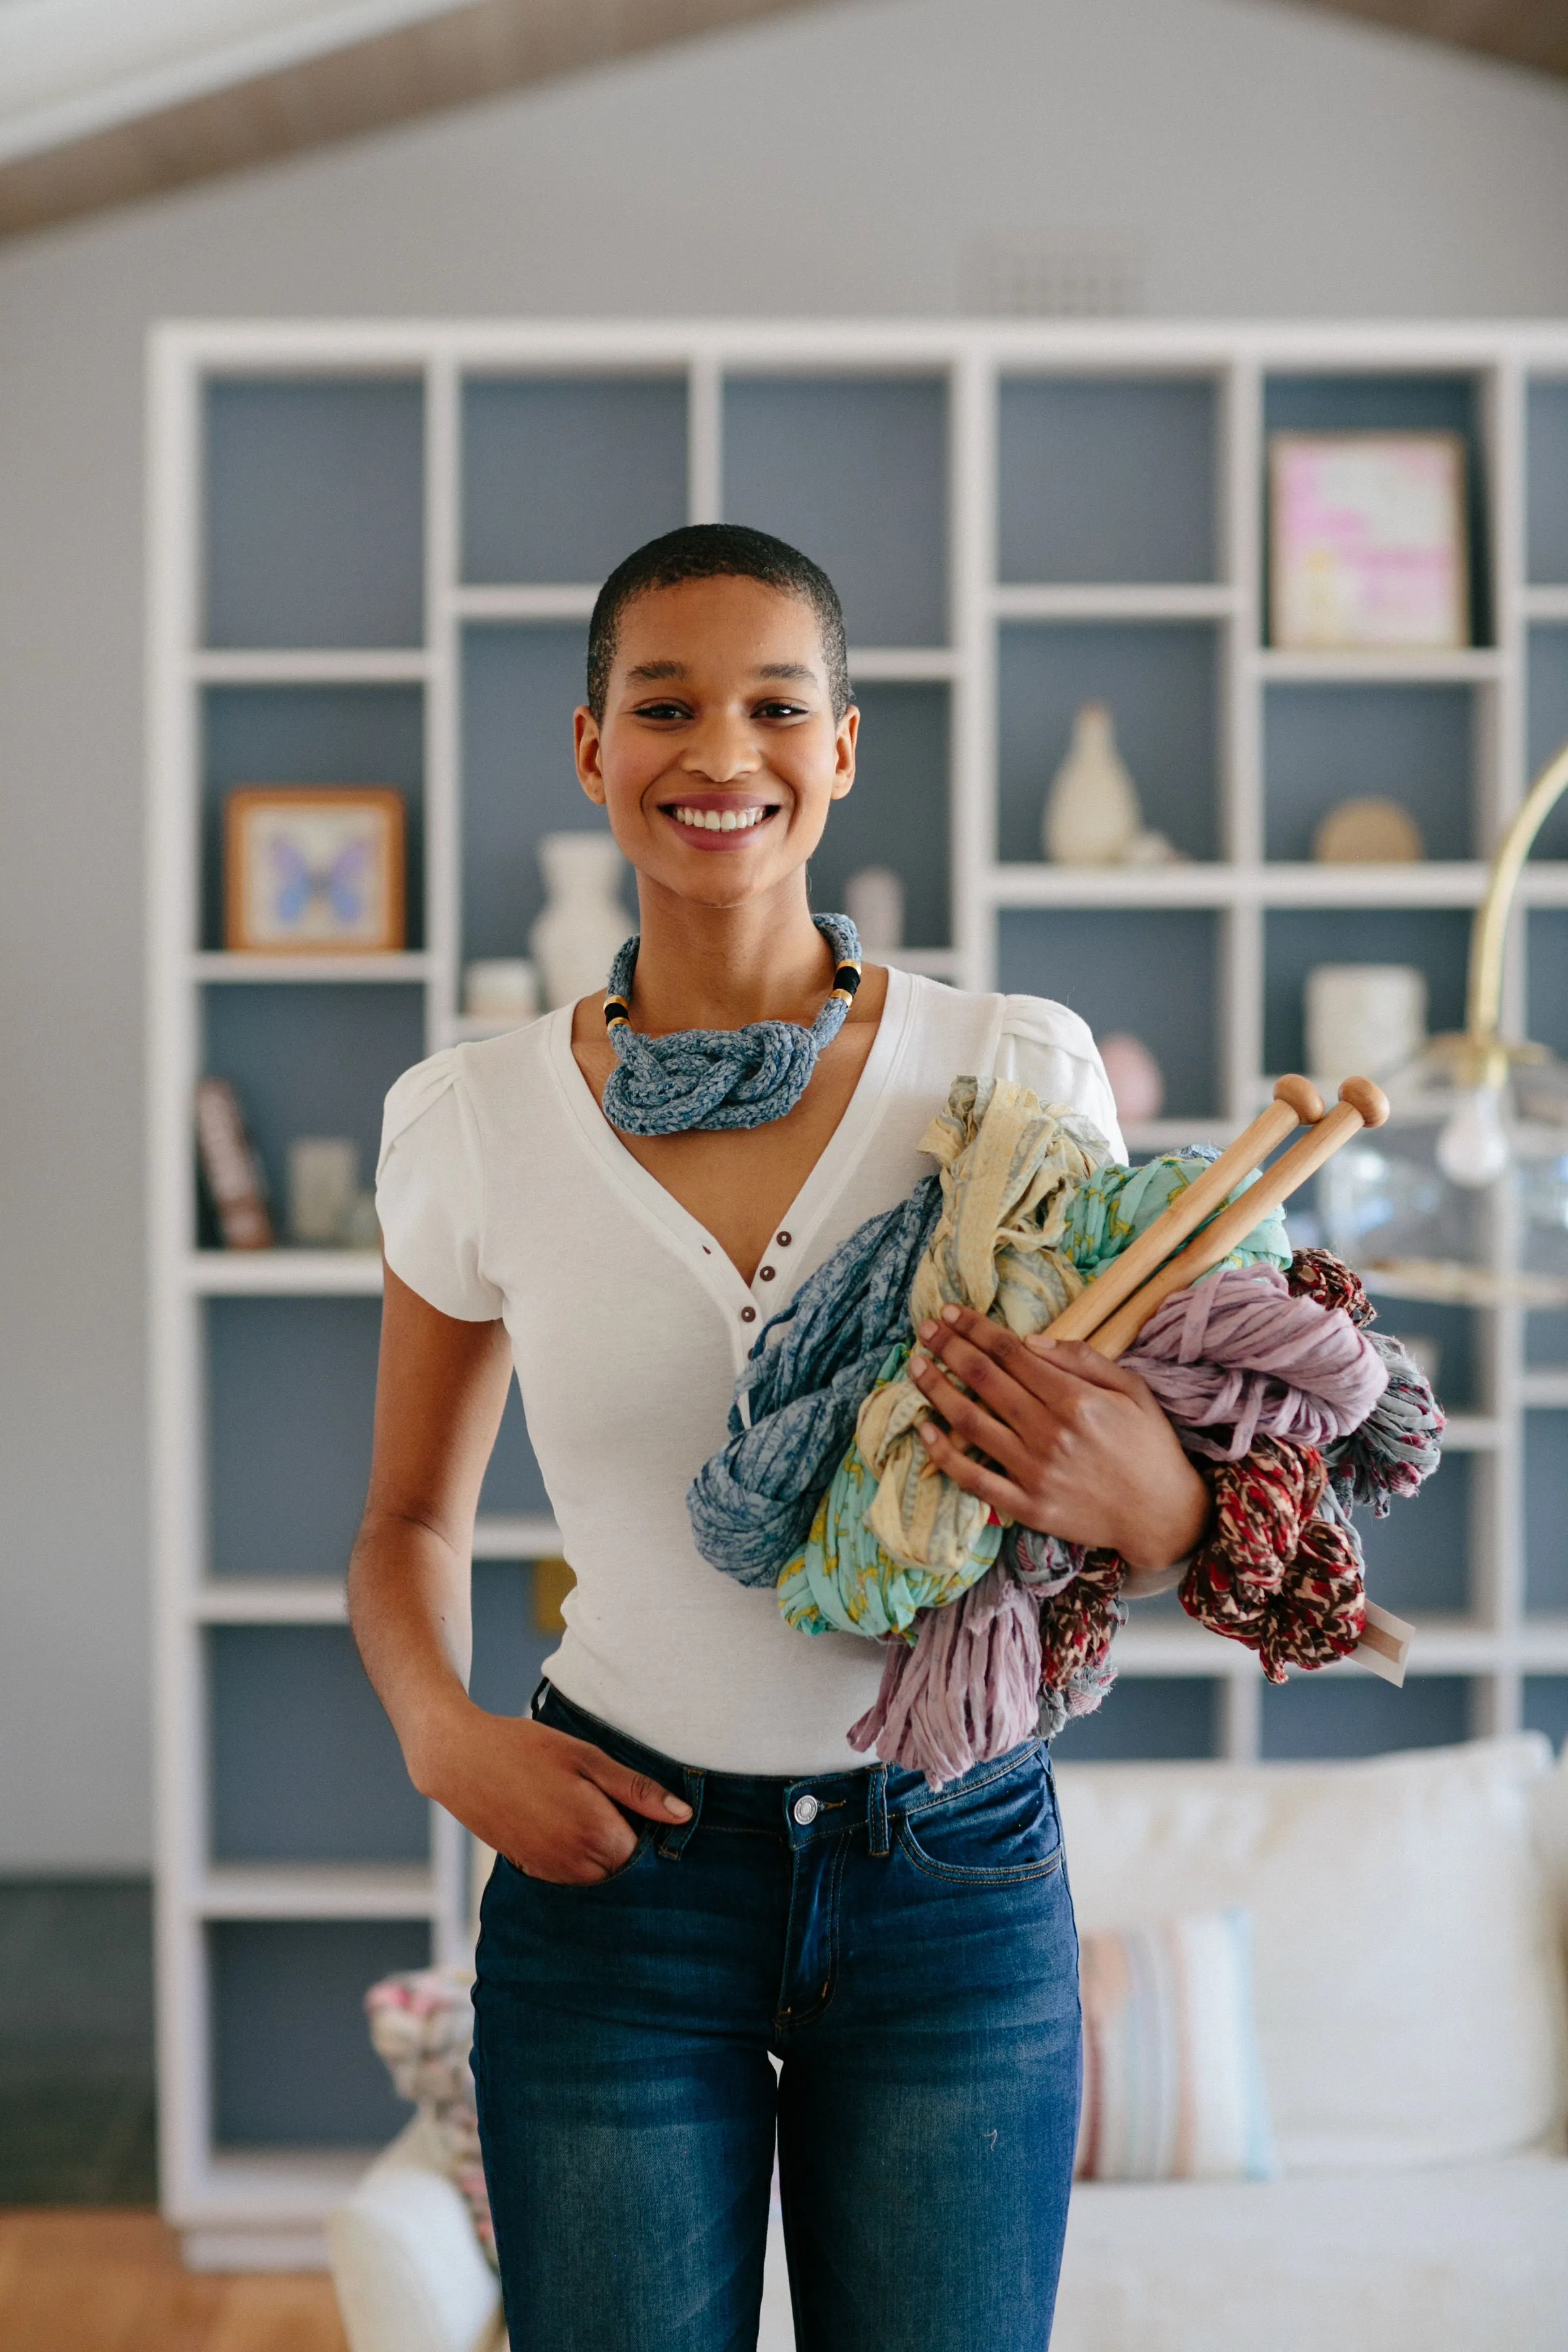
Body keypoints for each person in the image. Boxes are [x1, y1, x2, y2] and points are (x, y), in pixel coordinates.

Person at [350, 523, 1210, 2352]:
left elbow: (1141, 1507)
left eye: (773, 707)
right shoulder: (475, 1118)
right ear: (592, 750)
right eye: (663, 705)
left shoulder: (1011, 1077)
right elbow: (406, 1523)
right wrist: (446, 1737)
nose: (717, 753)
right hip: (616, 1897)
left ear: (842, 748)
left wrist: (1160, 1503)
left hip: (952, 1881)